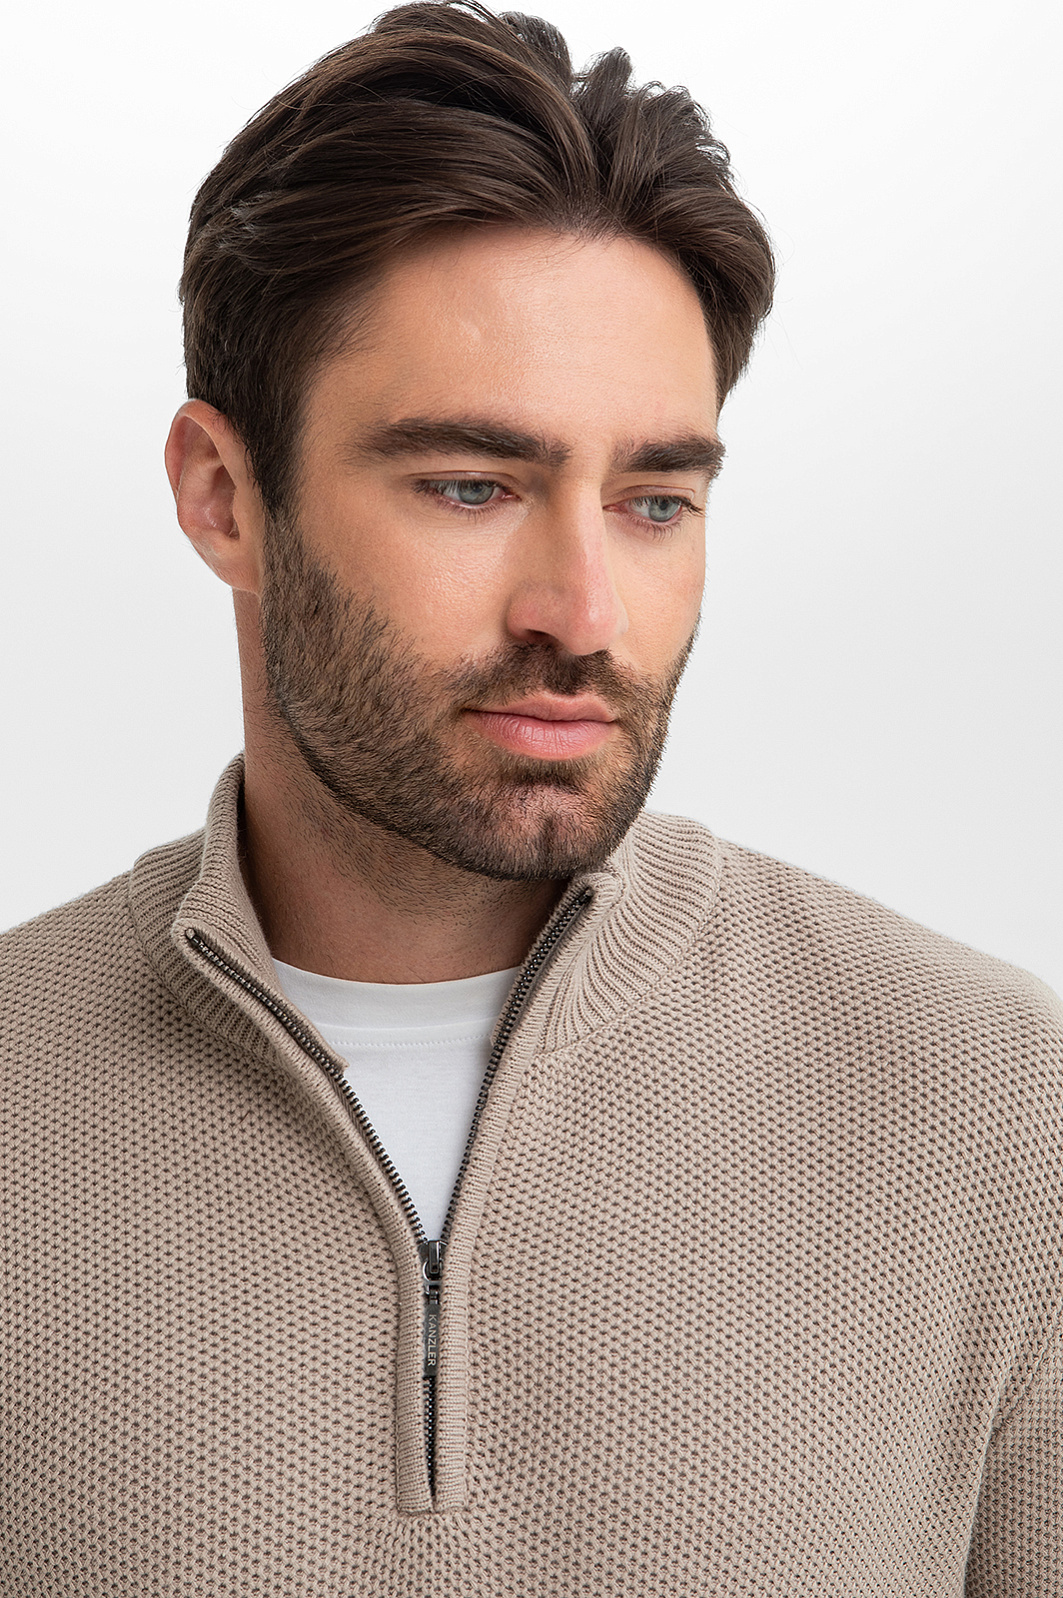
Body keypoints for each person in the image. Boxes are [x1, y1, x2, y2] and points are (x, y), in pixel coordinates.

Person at [1, 1, 1060, 1591]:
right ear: (224, 496)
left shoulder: (993, 1106)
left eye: (654, 500)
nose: (582, 610)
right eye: (472, 485)